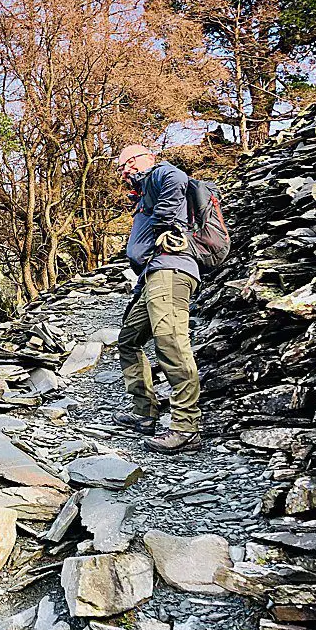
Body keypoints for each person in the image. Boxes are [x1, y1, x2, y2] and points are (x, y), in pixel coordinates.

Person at [116, 144, 202, 454]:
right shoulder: (143, 191)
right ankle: (145, 412)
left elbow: (178, 179)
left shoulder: (159, 173)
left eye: (127, 164)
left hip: (170, 271)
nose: (124, 171)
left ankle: (186, 427)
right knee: (128, 339)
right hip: (152, 275)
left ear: (144, 158)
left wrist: (165, 224)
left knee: (171, 341)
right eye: (121, 167)